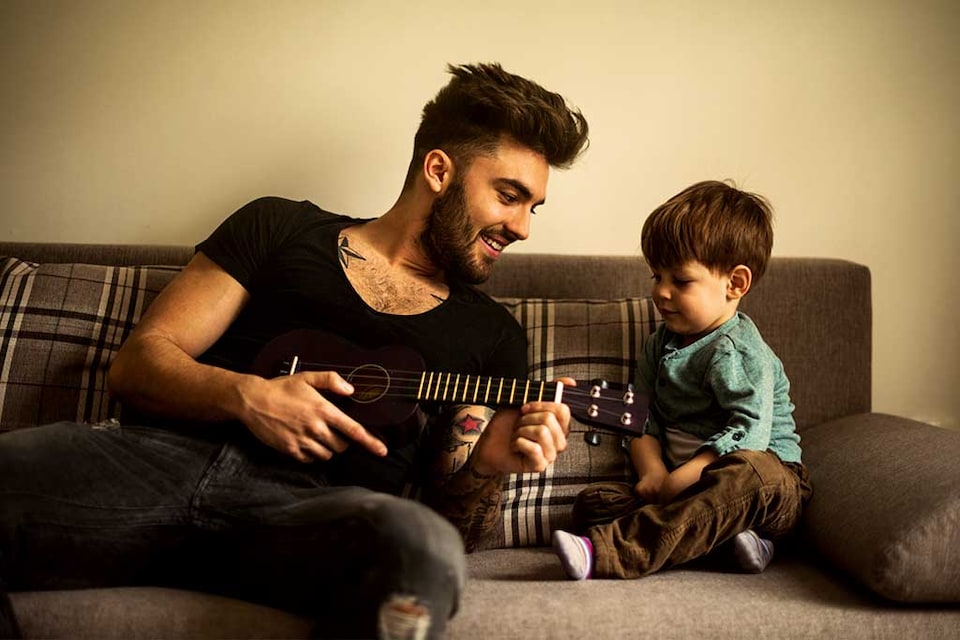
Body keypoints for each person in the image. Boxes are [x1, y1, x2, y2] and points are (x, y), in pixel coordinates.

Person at [0, 62, 589, 639]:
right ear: (439, 170)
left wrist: (485, 463)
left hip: (317, 514)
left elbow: (452, 531)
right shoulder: (278, 226)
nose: (522, 227)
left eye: (532, 207)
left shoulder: (496, 336)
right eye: (509, 196)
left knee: (425, 553)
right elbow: (140, 363)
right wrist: (247, 397)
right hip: (154, 462)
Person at [552, 180, 812, 580]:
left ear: (735, 284)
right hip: (684, 484)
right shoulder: (661, 344)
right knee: (595, 504)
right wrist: (654, 472)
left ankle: (605, 552)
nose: (661, 292)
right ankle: (730, 542)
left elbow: (749, 435)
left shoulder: (737, 350)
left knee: (748, 476)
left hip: (765, 485)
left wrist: (687, 478)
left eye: (681, 280)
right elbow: (640, 415)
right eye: (656, 276)